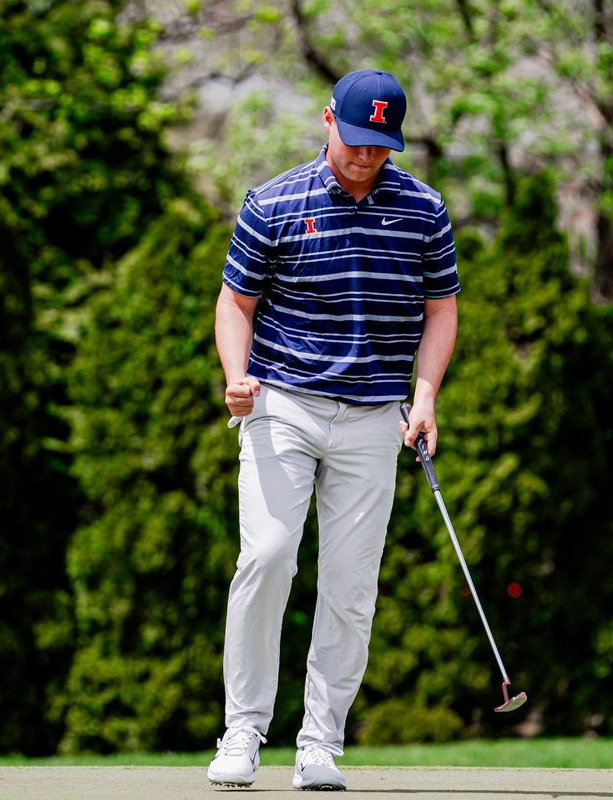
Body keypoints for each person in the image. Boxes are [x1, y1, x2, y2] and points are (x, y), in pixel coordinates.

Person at [208, 68, 460, 792]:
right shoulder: (274, 202)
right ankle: (243, 732)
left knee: (351, 586)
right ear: (327, 121)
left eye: (381, 147)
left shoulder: (424, 210)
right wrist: (235, 373)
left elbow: (441, 309)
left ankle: (319, 742)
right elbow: (236, 303)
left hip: (376, 414)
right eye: (355, 141)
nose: (365, 157)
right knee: (269, 557)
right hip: (281, 402)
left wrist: (425, 397)